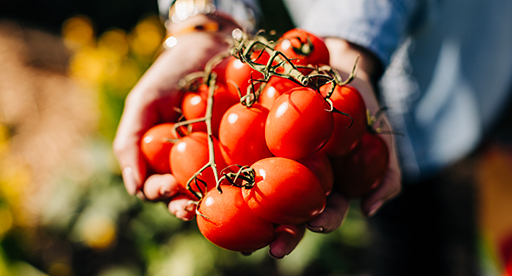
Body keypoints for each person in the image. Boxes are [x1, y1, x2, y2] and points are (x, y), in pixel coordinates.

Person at [113, 0, 512, 273]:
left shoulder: (284, 105)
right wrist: (206, 20)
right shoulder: (274, 106)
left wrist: (348, 38)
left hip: (478, 66)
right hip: (395, 113)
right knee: (414, 247)